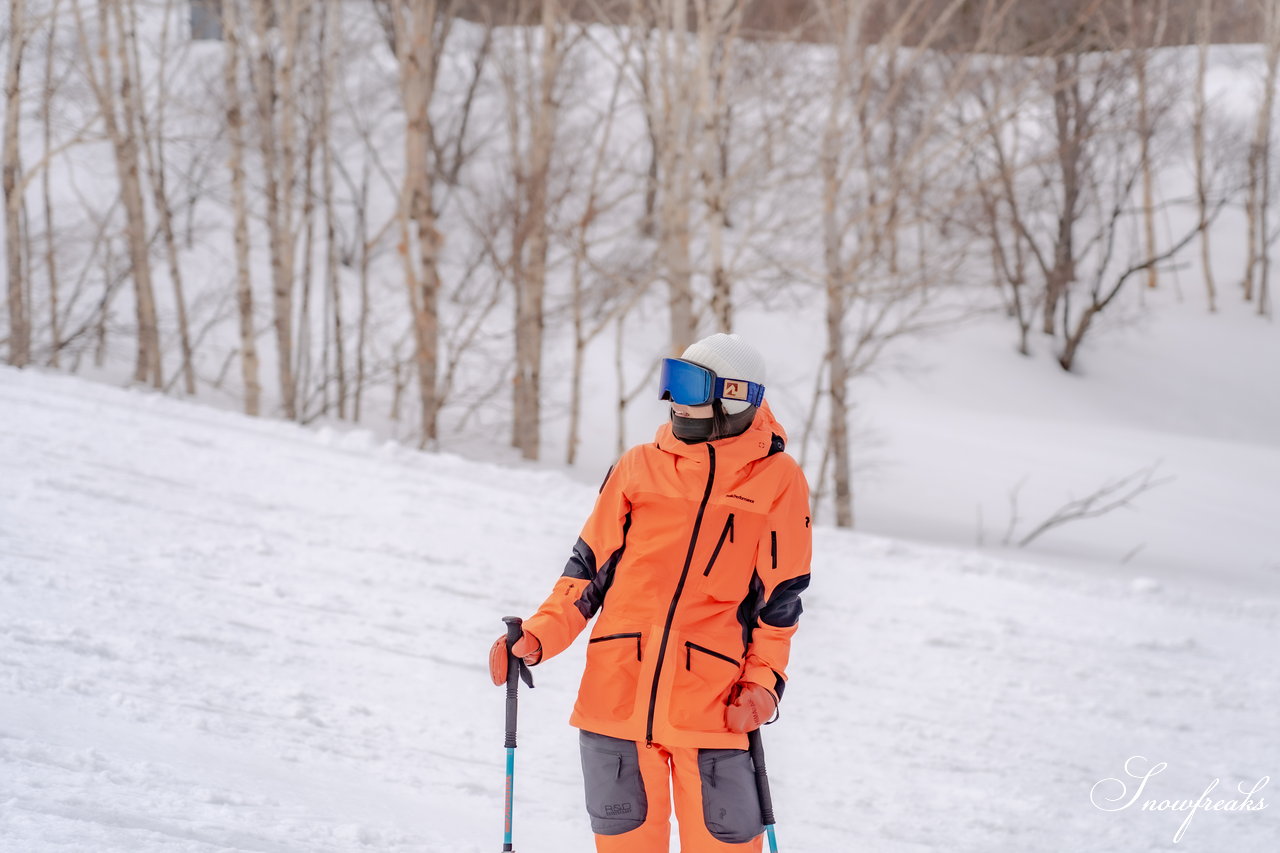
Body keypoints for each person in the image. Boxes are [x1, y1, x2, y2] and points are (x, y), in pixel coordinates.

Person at [489, 333, 812, 852]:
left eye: (691, 388)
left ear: (733, 396)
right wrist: (539, 636)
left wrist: (763, 683)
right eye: (673, 385)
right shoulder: (638, 465)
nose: (675, 402)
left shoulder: (777, 480)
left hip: (714, 707)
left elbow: (780, 602)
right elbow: (586, 574)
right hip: (614, 699)